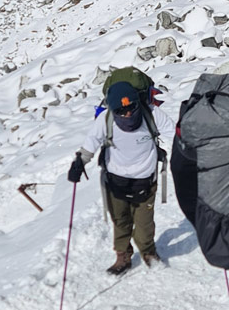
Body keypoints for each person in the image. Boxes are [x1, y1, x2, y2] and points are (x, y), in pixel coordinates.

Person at [68, 80, 176, 274]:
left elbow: (175, 135)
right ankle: (123, 256)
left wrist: (191, 151)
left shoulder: (151, 114)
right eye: (121, 110)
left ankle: (148, 252)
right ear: (113, 109)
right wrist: (79, 163)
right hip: (115, 181)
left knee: (144, 224)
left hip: (146, 181)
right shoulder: (105, 120)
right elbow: (91, 143)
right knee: (121, 221)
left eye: (131, 108)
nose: (127, 114)